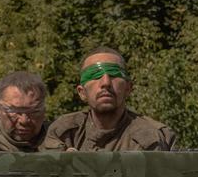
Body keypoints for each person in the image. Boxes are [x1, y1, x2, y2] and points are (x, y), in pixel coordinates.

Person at [46, 47, 177, 151]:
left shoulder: (154, 136)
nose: (106, 82)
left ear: (128, 88)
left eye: (114, 74)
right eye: (95, 75)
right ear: (82, 92)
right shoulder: (64, 133)